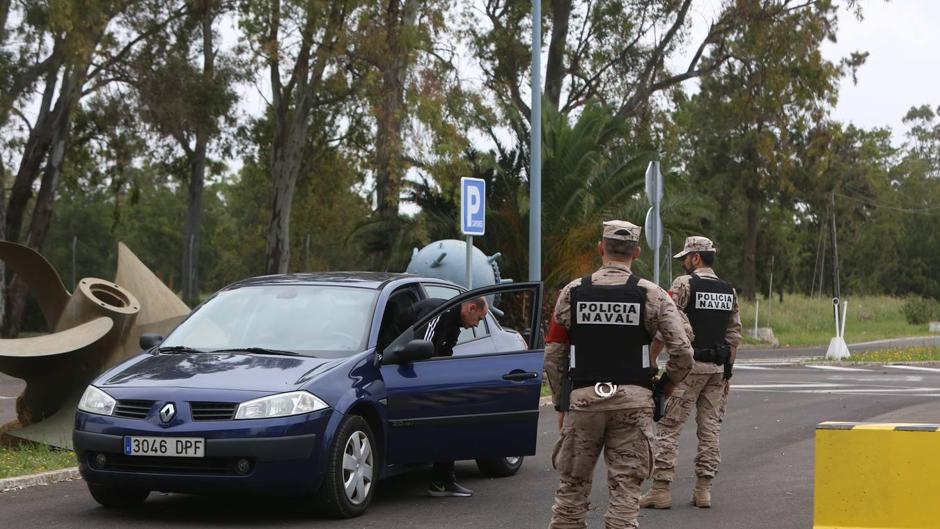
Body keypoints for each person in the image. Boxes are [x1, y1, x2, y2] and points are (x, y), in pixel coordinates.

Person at [545, 220, 694, 529]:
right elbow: (682, 351)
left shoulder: (572, 292)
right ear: (636, 253)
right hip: (634, 403)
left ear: (601, 248)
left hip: (583, 401)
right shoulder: (653, 295)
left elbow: (554, 353)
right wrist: (663, 388)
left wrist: (563, 401)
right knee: (625, 497)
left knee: (571, 494)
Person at [639, 236, 742, 510]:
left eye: (686, 257)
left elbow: (666, 326)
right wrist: (728, 373)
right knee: (710, 429)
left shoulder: (684, 285)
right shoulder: (727, 290)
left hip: (689, 368)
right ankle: (703, 490)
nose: (684, 263)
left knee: (669, 427)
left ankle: (660, 490)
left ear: (696, 258)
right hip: (717, 370)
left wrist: (650, 361)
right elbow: (733, 335)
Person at [408, 296, 488, 497]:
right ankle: (441, 479)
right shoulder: (439, 312)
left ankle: (443, 480)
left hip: (422, 376)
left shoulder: (454, 325)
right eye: (479, 319)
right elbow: (420, 348)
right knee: (448, 415)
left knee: (455, 412)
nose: (476, 325)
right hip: (406, 374)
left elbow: (445, 355)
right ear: (470, 308)